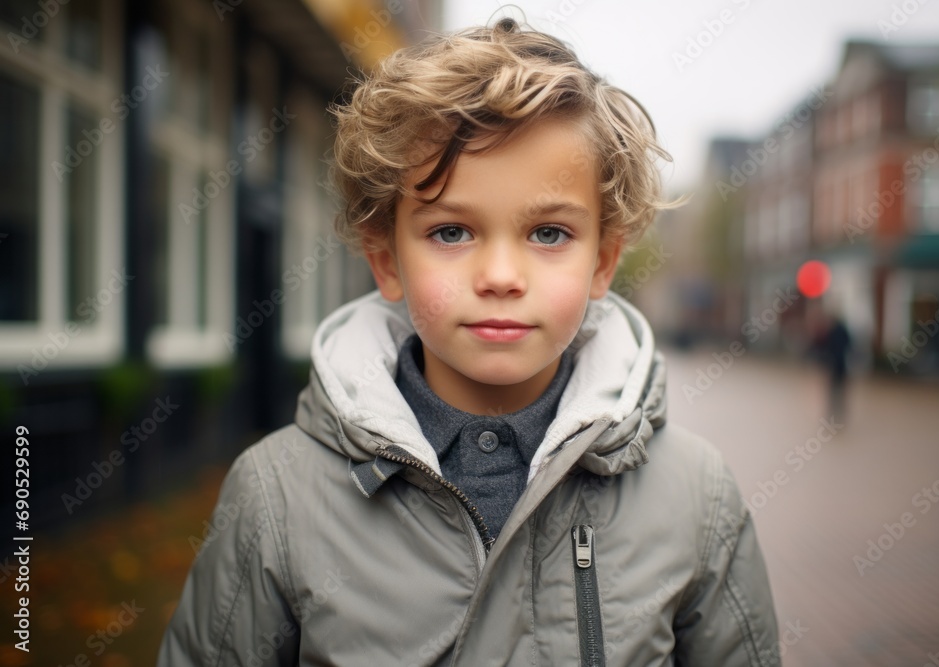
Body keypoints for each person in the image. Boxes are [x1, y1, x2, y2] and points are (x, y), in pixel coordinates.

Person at [158, 18, 780, 666]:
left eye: (548, 234)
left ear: (604, 261)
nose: (502, 277)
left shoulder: (698, 496)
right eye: (452, 232)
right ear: (386, 258)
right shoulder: (277, 495)